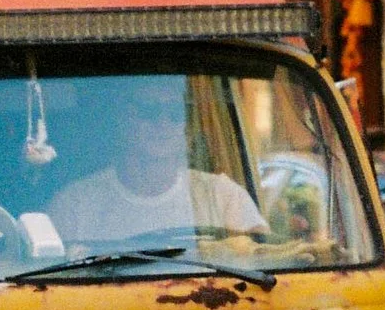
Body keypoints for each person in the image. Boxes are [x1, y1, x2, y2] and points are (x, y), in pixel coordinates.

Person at [53, 78, 266, 252]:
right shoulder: (75, 205)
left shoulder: (224, 197)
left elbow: (266, 262)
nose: (163, 124)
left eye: (175, 114)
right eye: (149, 111)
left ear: (186, 128)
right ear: (122, 121)